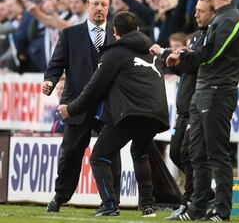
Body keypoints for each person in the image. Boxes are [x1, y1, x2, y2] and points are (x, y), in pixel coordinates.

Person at [58, 11, 169, 217]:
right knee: (140, 152)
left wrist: (71, 109)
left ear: (115, 32)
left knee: (99, 156)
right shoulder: (152, 50)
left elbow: (93, 89)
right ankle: (148, 205)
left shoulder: (115, 53)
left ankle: (109, 204)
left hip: (131, 112)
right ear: (137, 29)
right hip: (158, 112)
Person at [166, 0, 239, 221]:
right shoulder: (220, 19)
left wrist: (184, 56)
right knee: (197, 155)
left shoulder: (231, 18)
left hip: (218, 92)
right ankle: (197, 209)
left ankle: (222, 212)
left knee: (218, 155)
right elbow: (205, 52)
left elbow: (210, 54)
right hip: (202, 91)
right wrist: (187, 55)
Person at [42, 0, 121, 214]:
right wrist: (49, 81)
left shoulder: (117, 34)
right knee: (70, 153)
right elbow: (56, 64)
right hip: (77, 104)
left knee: (110, 153)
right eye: (95, 4)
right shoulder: (70, 34)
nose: (100, 9)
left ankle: (111, 201)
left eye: (104, 5)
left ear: (109, 7)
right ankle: (60, 197)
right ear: (87, 6)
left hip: (108, 104)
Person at [149, 0, 216, 219]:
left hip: (196, 107)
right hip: (183, 109)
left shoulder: (211, 38)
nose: (196, 14)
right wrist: (175, 63)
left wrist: (166, 52)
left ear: (212, 13)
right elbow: (189, 68)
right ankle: (204, 194)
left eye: (201, 11)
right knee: (177, 153)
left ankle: (189, 202)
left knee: (189, 154)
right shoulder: (197, 36)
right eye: (195, 10)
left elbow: (198, 65)